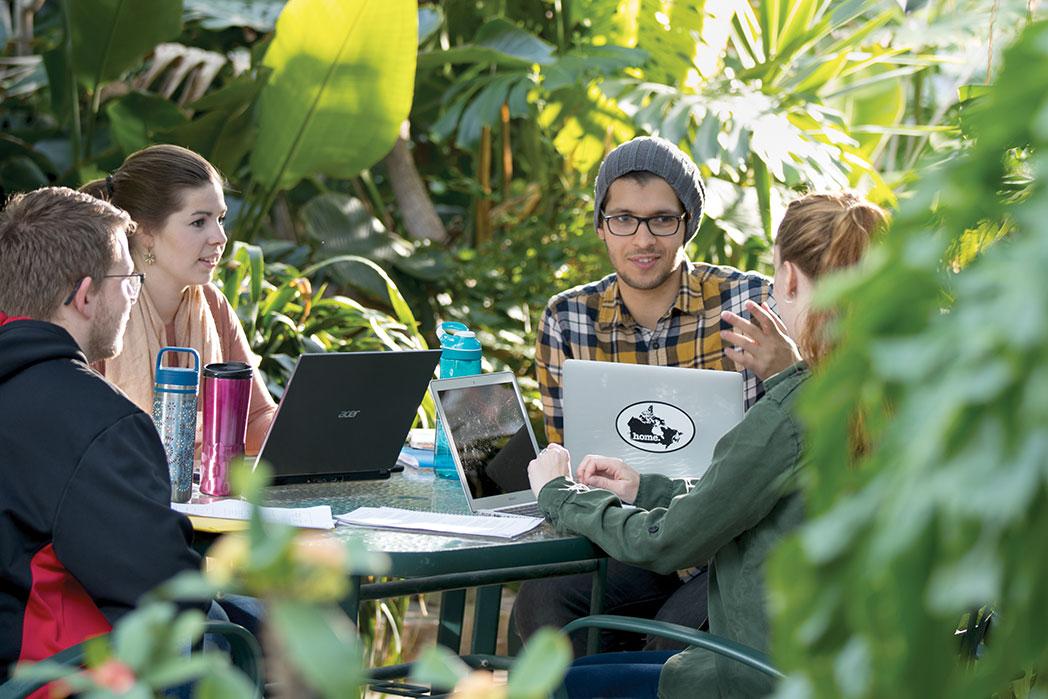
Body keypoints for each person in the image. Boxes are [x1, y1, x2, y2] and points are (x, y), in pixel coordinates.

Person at [527, 192, 889, 698]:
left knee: (556, 682)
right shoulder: (893, 390)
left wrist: (559, 494)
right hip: (860, 673)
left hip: (759, 678)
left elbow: (666, 542)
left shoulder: (795, 409)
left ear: (787, 278)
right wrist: (644, 487)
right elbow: (758, 493)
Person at [515, 136, 795, 656]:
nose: (642, 239)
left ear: (688, 223)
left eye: (661, 220)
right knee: (544, 601)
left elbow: (786, 436)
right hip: (627, 539)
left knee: (673, 636)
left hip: (727, 549)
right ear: (601, 225)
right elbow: (569, 463)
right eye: (623, 219)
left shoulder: (751, 304)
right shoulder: (568, 318)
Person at [0, 187, 204, 681]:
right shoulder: (96, 421)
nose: (133, 292)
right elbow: (169, 597)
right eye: (128, 278)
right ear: (85, 294)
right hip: (49, 679)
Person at [81, 144, 277, 453]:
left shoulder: (213, 305)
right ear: (144, 233)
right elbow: (86, 438)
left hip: (207, 496)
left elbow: (255, 419)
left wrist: (310, 419)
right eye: (199, 222)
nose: (220, 238)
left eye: (220, 219)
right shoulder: (101, 310)